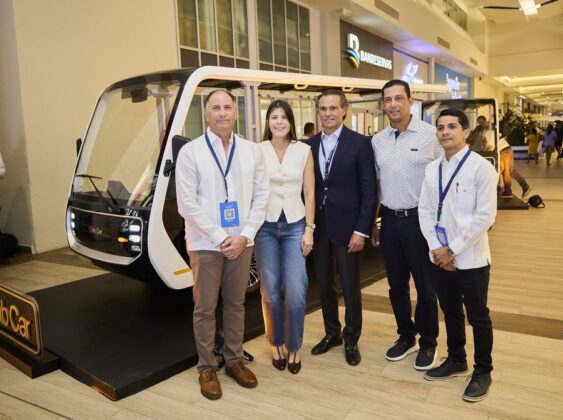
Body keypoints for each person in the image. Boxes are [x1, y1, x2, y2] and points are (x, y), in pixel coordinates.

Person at [176, 89, 269, 400]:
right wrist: (221, 237)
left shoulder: (251, 150)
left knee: (236, 304)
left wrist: (244, 235)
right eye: (215, 107)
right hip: (205, 243)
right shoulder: (191, 152)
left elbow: (262, 196)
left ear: (235, 112)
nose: (221, 113)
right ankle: (206, 367)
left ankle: (234, 360)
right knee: (205, 307)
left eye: (227, 107)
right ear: (206, 113)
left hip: (242, 242)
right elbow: (187, 204)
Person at [418, 108, 497, 402]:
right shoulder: (432, 169)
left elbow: (485, 218)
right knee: (450, 311)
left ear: (465, 132)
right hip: (440, 257)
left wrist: (452, 250)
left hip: (471, 258)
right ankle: (456, 359)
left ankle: (483, 371)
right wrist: (437, 249)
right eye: (440, 127)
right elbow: (425, 211)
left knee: (478, 316)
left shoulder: (481, 168)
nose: (445, 132)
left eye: (452, 126)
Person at [371, 79, 441, 371]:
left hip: (420, 221)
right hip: (389, 220)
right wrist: (373, 222)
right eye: (388, 99)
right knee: (396, 285)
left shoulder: (431, 135)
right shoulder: (378, 140)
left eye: (399, 98)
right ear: (383, 104)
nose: (393, 104)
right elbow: (376, 185)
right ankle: (406, 336)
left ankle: (428, 341)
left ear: (411, 101)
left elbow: (443, 180)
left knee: (425, 287)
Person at [306, 89, 376, 366]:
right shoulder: (309, 145)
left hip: (348, 228)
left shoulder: (360, 144)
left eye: (333, 108)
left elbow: (369, 190)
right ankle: (331, 333)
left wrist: (361, 230)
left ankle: (351, 339)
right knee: (324, 284)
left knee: (349, 286)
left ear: (344, 110)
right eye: (323, 109)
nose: (328, 113)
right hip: (319, 226)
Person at [254, 100, 315, 374]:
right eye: (274, 117)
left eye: (284, 117)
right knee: (270, 291)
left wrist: (309, 229)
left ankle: (294, 345)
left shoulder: (304, 150)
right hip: (264, 227)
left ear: (291, 121)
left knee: (296, 291)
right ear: (268, 122)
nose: (279, 122)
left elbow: (310, 192)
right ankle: (276, 343)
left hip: (295, 225)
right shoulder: (257, 150)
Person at [498, 128, 532, 199]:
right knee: (510, 171)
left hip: (503, 151)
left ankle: (508, 191)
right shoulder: (489, 129)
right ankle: (525, 186)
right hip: (507, 149)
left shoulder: (484, 132)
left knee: (506, 172)